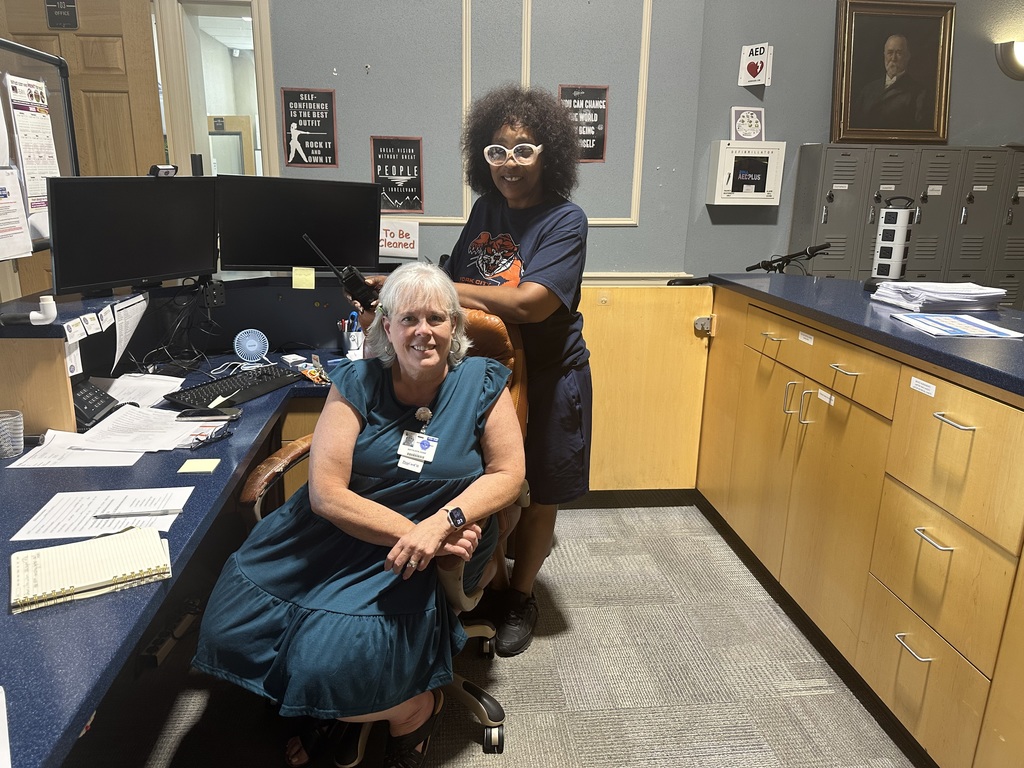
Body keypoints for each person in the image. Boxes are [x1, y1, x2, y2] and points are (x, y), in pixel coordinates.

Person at [191, 262, 526, 768]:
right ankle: (339, 706)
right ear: (384, 327)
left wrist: (439, 525)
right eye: (408, 319)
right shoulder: (356, 380)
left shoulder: (482, 381)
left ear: (454, 327)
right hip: (339, 531)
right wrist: (413, 531)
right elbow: (325, 493)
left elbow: (508, 476)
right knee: (231, 629)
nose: (423, 331)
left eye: (437, 318)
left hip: (433, 549)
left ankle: (413, 711)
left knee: (332, 663)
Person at [444, 83, 593, 656]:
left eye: (524, 149)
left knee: (542, 491)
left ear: (548, 154)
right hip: (487, 374)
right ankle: (493, 587)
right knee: (490, 483)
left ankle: (521, 595)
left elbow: (532, 302)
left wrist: (446, 290)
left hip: (553, 374)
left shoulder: (565, 220)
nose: (510, 163)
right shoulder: (486, 210)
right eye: (497, 151)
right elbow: (463, 278)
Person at [852, 33, 930, 130]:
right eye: (890, 53)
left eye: (899, 53)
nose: (893, 58)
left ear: (907, 56)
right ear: (884, 55)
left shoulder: (919, 92)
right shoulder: (868, 89)